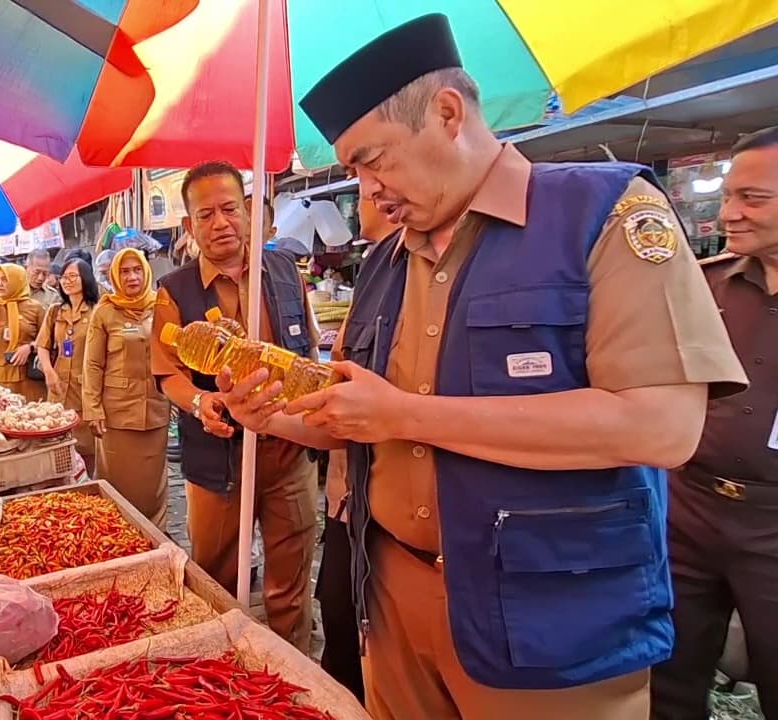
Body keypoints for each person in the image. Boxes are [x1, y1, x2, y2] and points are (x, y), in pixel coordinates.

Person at [218, 14, 747, 719]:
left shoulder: (604, 214)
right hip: (392, 601)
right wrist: (273, 415)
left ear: (447, 114)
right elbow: (353, 416)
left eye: (373, 160)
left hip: (548, 619)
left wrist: (408, 415)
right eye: (353, 171)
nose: (367, 190)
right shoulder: (384, 262)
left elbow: (662, 425)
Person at [152, 161, 321, 652]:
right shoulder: (174, 291)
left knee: (291, 580)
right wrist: (202, 401)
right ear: (190, 225)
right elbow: (166, 373)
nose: (220, 223)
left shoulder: (285, 271)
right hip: (218, 460)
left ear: (248, 212)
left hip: (289, 451)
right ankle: (224, 665)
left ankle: (293, 665)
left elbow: (308, 347)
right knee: (216, 577)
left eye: (229, 209)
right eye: (206, 215)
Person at [651, 127, 778, 719]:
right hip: (689, 507)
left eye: (753, 199)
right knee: (667, 670)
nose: (730, 213)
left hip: (772, 517)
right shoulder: (706, 284)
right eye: (728, 196)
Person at [315, 195, 397, 702]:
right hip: (347, 502)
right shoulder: (372, 276)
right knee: (342, 626)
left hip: (388, 514)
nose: (368, 194)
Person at [84, 248, 171, 527]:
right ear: (114, 276)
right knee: (118, 481)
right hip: (116, 414)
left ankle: (156, 534)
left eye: (136, 270)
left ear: (146, 272)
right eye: (124, 271)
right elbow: (92, 364)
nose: (132, 277)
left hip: (155, 409)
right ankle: (119, 533)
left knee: (153, 483)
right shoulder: (105, 311)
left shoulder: (162, 306)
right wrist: (93, 409)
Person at [35, 257, 98, 476]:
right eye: (63, 277)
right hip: (58, 386)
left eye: (73, 276)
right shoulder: (55, 311)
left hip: (85, 387)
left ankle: (86, 482)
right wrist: (48, 371)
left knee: (86, 445)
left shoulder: (97, 312)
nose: (67, 281)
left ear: (86, 279)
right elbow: (42, 345)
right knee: (57, 440)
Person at [0, 263, 45, 400]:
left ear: (17, 281)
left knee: (32, 410)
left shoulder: (35, 308)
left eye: (5, 280)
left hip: (30, 374)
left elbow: (48, 340)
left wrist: (30, 347)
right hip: (3, 375)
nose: (0, 284)